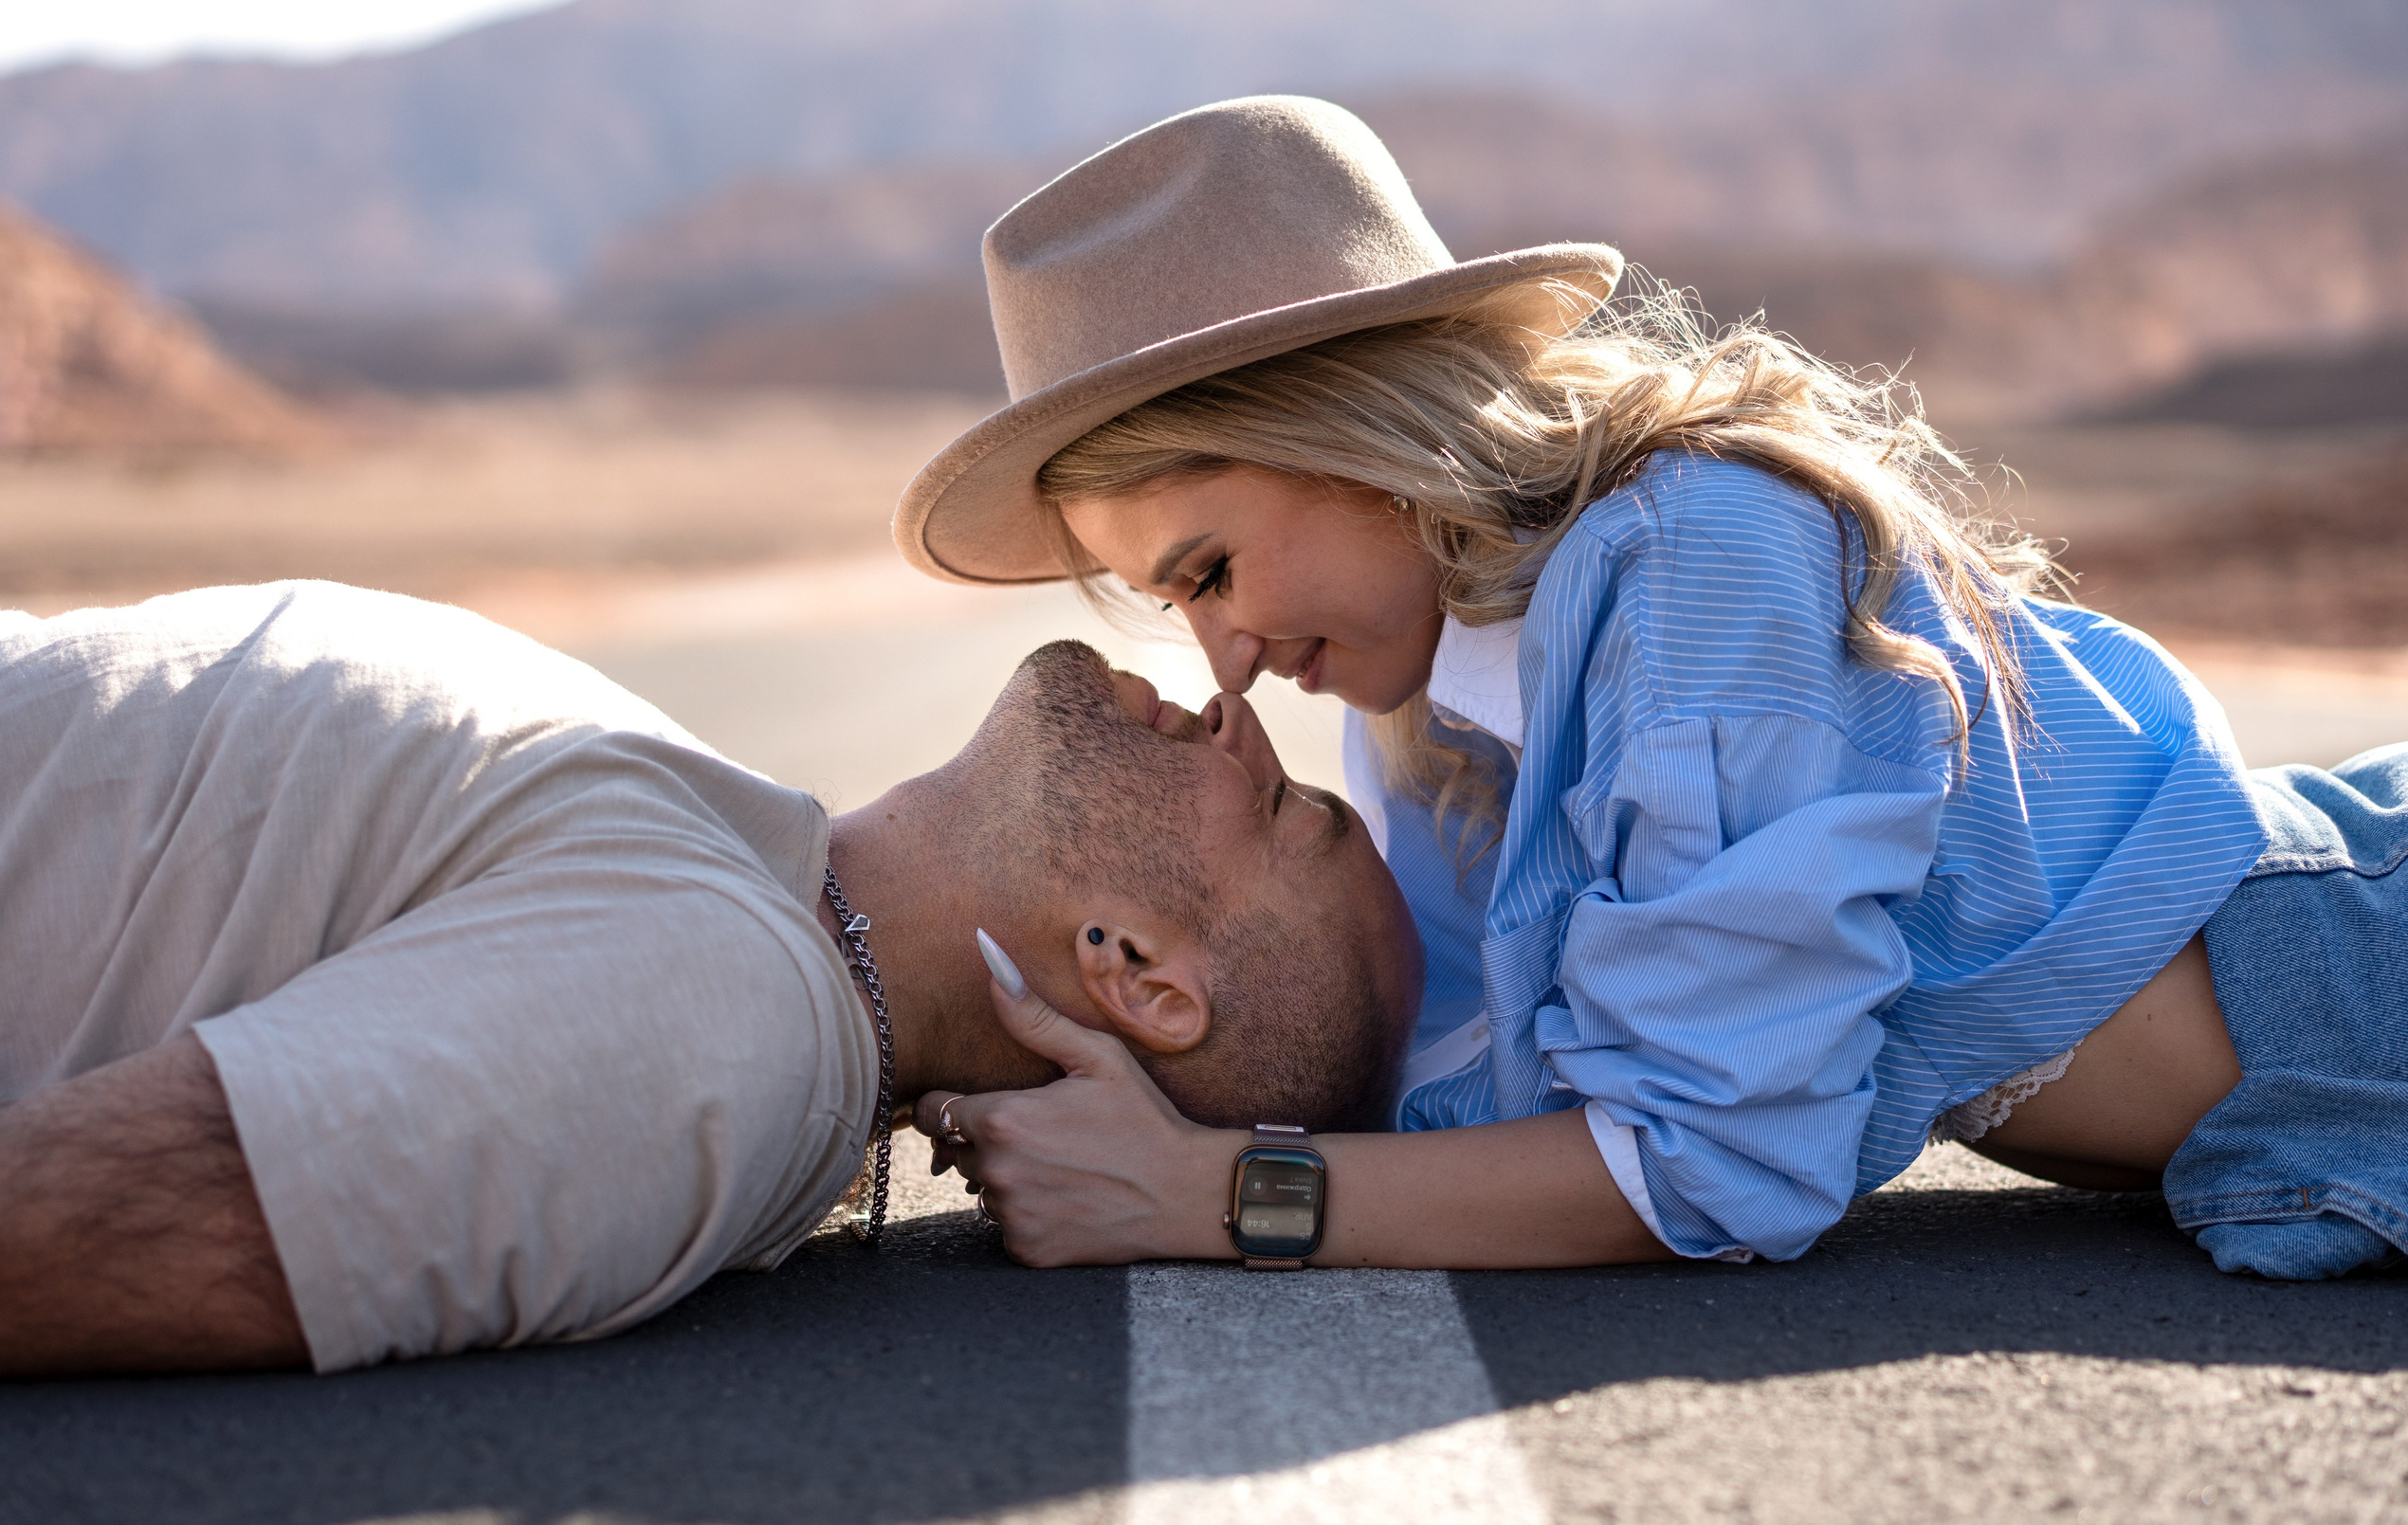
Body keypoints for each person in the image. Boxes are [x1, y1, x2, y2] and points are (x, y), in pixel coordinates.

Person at [892, 94, 2408, 1281]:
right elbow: (1444, 1104)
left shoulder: (1693, 565)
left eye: (1211, 568)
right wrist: (1076, 1080)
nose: (1222, 662)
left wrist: (1208, 1200)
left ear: (1357, 435)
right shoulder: (1416, 723)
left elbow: (1704, 1163)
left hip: (2370, 968)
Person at [0, 581, 1419, 1377]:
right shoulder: (740, 896)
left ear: (1143, 979)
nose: (1242, 719)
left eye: (1288, 813)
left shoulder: (722, 1026)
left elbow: (73, 1229)